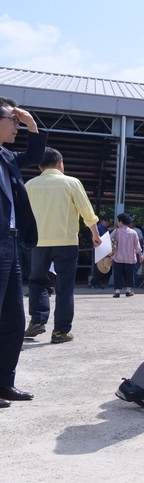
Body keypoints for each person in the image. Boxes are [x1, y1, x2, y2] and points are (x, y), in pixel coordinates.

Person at [23, 147, 102, 344]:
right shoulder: (71, 183)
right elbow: (86, 211)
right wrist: (95, 235)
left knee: (37, 281)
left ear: (39, 166)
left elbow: (22, 215)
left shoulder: (29, 185)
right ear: (60, 163)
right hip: (66, 242)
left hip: (38, 242)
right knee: (64, 286)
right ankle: (60, 331)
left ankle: (37, 321)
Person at [0, 99, 45, 407]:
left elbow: (35, 155)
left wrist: (31, 124)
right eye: (12, 121)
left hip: (11, 244)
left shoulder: (6, 156)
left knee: (14, 318)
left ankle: (5, 383)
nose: (16, 126)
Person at [111, 213, 142, 298]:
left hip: (118, 257)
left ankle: (117, 291)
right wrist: (140, 254)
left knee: (117, 274)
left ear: (121, 222)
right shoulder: (133, 232)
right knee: (129, 274)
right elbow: (137, 245)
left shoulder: (116, 231)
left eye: (118, 221)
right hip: (130, 257)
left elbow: (110, 240)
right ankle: (128, 290)